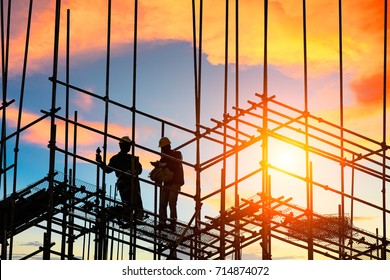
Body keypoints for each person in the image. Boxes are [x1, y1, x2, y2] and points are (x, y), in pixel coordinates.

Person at [96, 136, 144, 224]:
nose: (130, 147)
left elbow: (140, 170)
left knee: (136, 202)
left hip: (132, 183)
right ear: (123, 146)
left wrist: (134, 171)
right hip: (125, 184)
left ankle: (138, 217)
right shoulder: (116, 159)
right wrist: (100, 162)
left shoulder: (132, 158)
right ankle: (129, 218)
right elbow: (108, 170)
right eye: (128, 145)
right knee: (128, 203)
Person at [157, 137, 184, 231]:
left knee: (172, 203)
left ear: (168, 146)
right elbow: (159, 170)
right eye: (162, 148)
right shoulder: (163, 159)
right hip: (166, 183)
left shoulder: (177, 154)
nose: (162, 150)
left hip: (175, 183)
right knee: (162, 203)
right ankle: (162, 223)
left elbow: (176, 165)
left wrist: (164, 165)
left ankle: (173, 224)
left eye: (163, 148)